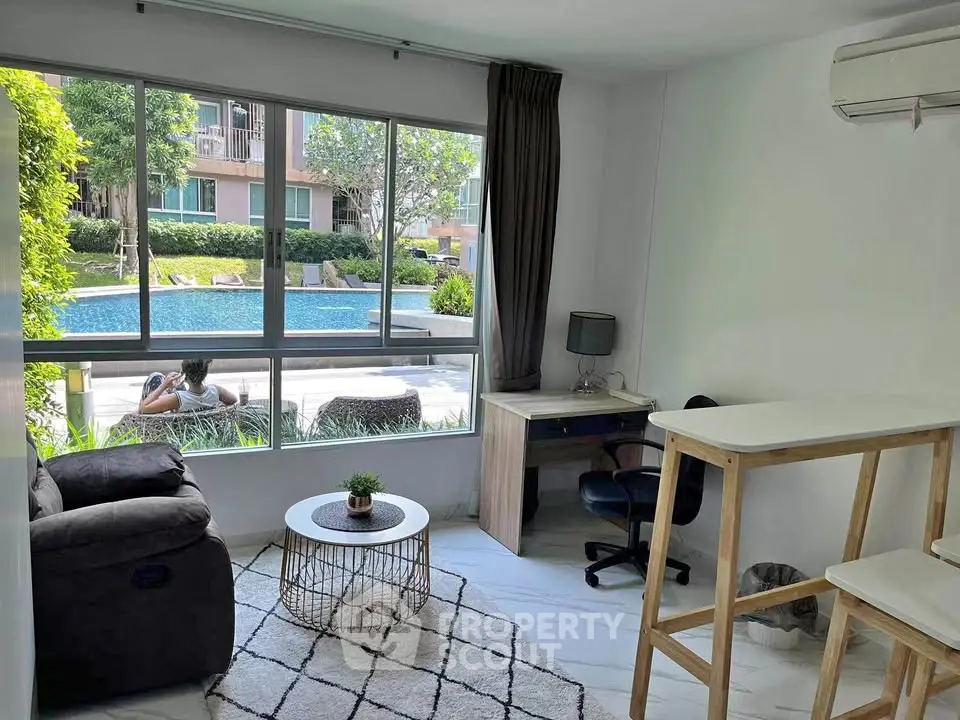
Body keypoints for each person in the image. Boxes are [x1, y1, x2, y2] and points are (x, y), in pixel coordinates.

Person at [138, 359, 238, 415]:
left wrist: (164, 386)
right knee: (174, 385)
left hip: (182, 402)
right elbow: (233, 399)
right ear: (205, 373)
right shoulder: (215, 390)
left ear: (184, 373)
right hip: (194, 403)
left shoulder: (177, 399)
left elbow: (144, 408)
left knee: (155, 377)